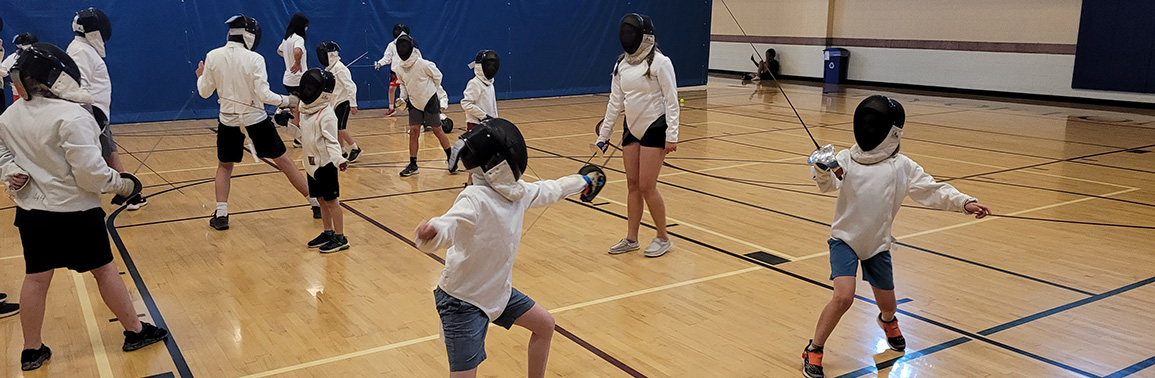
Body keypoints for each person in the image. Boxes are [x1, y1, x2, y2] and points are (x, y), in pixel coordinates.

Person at [1, 42, 169, 371]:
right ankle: (135, 331)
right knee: (104, 271)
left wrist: (10, 173)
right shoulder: (71, 116)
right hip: (77, 214)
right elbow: (91, 176)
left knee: (36, 278)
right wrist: (125, 185)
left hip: (32, 214)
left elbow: (2, 155)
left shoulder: (10, 114)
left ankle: (31, 350)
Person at [801, 95, 992, 378]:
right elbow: (826, 185)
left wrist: (964, 202)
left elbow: (932, 189)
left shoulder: (902, 166)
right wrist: (820, 167)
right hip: (845, 240)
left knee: (888, 305)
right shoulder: (845, 159)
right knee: (843, 297)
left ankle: (888, 321)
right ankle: (814, 349)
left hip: (877, 244)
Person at [417, 118, 605, 378]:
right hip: (463, 301)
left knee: (544, 325)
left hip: (497, 291)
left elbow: (550, 189)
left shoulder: (516, 193)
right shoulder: (474, 198)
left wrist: (583, 180)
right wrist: (433, 232)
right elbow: (450, 223)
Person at [196, 14, 320, 230]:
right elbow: (264, 95)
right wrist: (289, 100)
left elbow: (204, 92)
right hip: (256, 119)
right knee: (284, 161)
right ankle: (315, 203)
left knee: (225, 166)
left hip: (228, 120)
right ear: (251, 36)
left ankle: (222, 213)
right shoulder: (255, 59)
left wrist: (200, 76)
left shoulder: (213, 56)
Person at [595, 13, 679, 258]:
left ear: (645, 36)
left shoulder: (661, 63)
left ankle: (663, 237)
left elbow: (672, 102)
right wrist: (605, 133)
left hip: (655, 128)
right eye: (625, 32)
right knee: (632, 185)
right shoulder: (621, 65)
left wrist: (672, 135)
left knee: (646, 186)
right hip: (631, 128)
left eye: (632, 32)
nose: (627, 36)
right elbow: (615, 102)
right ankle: (632, 238)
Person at [67, 8, 147, 210]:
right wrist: (90, 118)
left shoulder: (83, 48)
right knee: (104, 154)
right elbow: (78, 86)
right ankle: (129, 195)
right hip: (91, 114)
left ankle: (128, 193)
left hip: (95, 114)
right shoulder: (81, 51)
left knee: (109, 152)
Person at [295, 68, 351, 253]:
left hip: (326, 164)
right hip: (311, 165)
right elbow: (303, 135)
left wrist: (338, 159)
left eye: (313, 87)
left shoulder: (327, 115)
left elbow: (332, 140)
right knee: (320, 199)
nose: (308, 90)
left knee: (332, 201)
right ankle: (328, 232)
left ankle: (341, 237)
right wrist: (285, 123)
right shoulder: (305, 110)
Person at [392, 34, 454, 177]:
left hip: (429, 101)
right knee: (414, 132)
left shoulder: (424, 64)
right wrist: (402, 98)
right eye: (400, 47)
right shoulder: (398, 68)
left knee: (437, 130)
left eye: (404, 46)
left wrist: (430, 91)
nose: (402, 49)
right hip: (414, 102)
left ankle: (451, 157)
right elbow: (403, 85)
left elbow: (438, 77)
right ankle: (413, 164)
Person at [460, 50, 500, 185]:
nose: (491, 68)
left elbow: (491, 104)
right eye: (488, 65)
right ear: (480, 66)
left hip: (489, 124)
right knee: (476, 156)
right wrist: (482, 116)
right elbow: (465, 103)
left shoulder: (490, 83)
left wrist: (495, 119)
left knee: (487, 155)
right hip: (476, 125)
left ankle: (474, 182)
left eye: (493, 65)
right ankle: (471, 183)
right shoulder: (475, 83)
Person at [317, 41, 361, 162]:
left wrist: (353, 104)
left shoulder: (340, 68)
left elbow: (351, 86)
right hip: (334, 102)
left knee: (341, 128)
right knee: (335, 127)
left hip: (344, 101)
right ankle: (341, 151)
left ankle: (355, 148)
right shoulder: (329, 68)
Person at [277, 13, 308, 147]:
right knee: (304, 108)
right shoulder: (298, 39)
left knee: (295, 108)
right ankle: (301, 136)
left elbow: (279, 51)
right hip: (299, 79)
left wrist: (287, 59)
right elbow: (297, 51)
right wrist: (296, 62)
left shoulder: (286, 39)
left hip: (288, 79)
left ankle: (297, 137)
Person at [374, 23, 408, 117]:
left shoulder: (410, 44)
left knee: (409, 90)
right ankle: (391, 108)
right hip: (395, 72)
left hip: (406, 71)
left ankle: (414, 109)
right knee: (391, 89)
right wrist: (380, 63)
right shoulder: (392, 45)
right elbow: (387, 57)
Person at [0, 32, 38, 114]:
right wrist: (9, 76)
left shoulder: (38, 57)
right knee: (19, 113)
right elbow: (2, 69)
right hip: (19, 93)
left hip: (36, 93)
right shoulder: (13, 58)